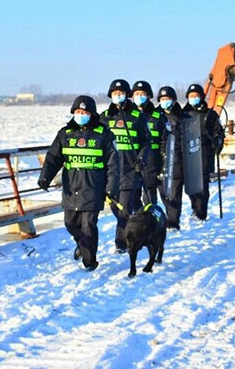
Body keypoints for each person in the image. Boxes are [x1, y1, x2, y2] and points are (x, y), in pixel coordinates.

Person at [38, 96, 119, 270]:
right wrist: (45, 177)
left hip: (93, 187)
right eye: (78, 112)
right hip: (71, 187)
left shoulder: (104, 134)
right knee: (70, 223)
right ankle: (82, 246)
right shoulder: (65, 134)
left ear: (92, 114)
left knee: (88, 226)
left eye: (85, 112)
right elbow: (53, 158)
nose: (81, 115)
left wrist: (111, 187)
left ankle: (90, 262)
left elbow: (113, 164)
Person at [100, 78, 152, 252]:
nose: (118, 96)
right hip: (111, 172)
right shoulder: (105, 117)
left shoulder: (137, 116)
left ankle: (121, 244)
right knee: (116, 207)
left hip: (130, 169)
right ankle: (140, 222)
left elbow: (146, 141)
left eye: (121, 93)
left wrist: (141, 159)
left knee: (123, 209)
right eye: (115, 94)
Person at [181, 83, 225, 221]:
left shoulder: (209, 114)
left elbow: (219, 131)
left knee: (201, 184)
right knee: (189, 185)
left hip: (204, 152)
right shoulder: (184, 114)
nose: (193, 98)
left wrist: (218, 142)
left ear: (201, 97)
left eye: (196, 96)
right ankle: (195, 206)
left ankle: (201, 212)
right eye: (191, 96)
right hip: (188, 153)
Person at [131, 80, 166, 206]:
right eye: (136, 94)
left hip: (151, 161)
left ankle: (150, 220)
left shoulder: (158, 116)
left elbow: (164, 141)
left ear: (149, 96)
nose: (139, 97)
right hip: (132, 161)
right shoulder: (128, 116)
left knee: (149, 197)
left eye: (142, 94)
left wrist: (163, 163)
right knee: (133, 197)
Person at [156, 85, 184, 230]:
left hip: (177, 161)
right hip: (159, 161)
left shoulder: (182, 116)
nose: (165, 101)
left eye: (168, 99)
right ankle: (168, 215)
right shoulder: (155, 116)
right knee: (163, 193)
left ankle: (173, 223)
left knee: (174, 193)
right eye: (162, 99)